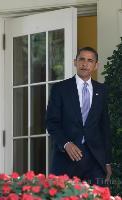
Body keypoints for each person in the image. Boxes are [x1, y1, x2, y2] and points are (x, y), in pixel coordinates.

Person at [46, 47, 112, 185]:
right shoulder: (60, 89)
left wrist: (107, 161)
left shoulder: (102, 90)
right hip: (67, 157)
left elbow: (104, 127)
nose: (85, 63)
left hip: (95, 160)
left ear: (96, 65)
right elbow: (51, 122)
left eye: (90, 60)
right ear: (75, 62)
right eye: (81, 59)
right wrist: (66, 143)